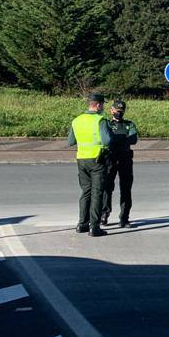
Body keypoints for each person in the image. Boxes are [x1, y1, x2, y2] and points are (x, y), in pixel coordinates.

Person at [67, 92, 113, 237]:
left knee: (85, 192)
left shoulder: (77, 120)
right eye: (103, 104)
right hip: (97, 159)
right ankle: (94, 227)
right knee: (97, 193)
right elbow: (107, 141)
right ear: (98, 105)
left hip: (81, 159)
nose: (103, 107)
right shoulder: (101, 120)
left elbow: (70, 141)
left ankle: (82, 224)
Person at [101, 99, 138, 227]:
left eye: (121, 111)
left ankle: (124, 217)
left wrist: (115, 139)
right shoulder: (106, 124)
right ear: (111, 110)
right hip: (110, 158)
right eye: (117, 111)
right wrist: (123, 139)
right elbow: (105, 139)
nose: (119, 113)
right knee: (107, 187)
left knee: (126, 189)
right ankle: (104, 214)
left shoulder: (129, 124)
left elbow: (134, 139)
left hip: (125, 159)